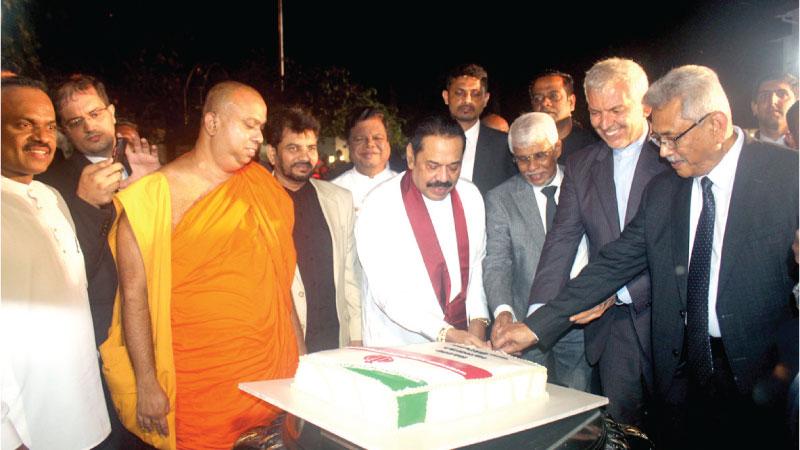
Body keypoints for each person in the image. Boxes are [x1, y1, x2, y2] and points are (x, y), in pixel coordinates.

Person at [495, 65, 799, 449]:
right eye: (661, 139)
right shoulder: (667, 189)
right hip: (686, 370)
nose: (665, 150)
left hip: (771, 374)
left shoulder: (789, 175)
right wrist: (536, 325)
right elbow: (614, 262)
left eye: (672, 138)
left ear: (716, 125)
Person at [101, 81, 303, 450]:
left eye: (261, 127)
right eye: (248, 125)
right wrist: (146, 382)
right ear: (211, 122)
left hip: (277, 379)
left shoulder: (265, 189)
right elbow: (135, 297)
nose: (258, 136)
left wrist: (302, 358)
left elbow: (281, 285)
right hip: (203, 389)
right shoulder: (154, 198)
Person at [525, 58, 668, 428]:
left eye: (617, 110)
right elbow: (561, 241)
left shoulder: (672, 155)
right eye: (596, 112)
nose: (605, 123)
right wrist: (538, 318)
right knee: (620, 430)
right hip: (614, 332)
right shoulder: (582, 164)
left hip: (670, 319)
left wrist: (615, 291)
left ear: (645, 104)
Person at [35, 74, 160, 449]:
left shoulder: (147, 165)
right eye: (76, 121)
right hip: (100, 344)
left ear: (111, 111)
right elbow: (63, 276)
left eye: (94, 113)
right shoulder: (51, 185)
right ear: (65, 131)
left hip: (160, 331)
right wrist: (87, 205)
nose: (89, 125)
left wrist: (150, 190)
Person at [1, 76, 111, 449]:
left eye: (49, 126)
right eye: (23, 124)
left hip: (83, 410)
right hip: (27, 429)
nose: (41, 136)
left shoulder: (50, 197)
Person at [357, 115, 490, 347]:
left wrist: (478, 324)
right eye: (433, 166)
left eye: (454, 167)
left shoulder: (471, 197)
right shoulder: (379, 204)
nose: (444, 178)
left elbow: (476, 267)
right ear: (411, 157)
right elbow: (387, 293)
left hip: (462, 341)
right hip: (399, 343)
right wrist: (446, 333)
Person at [484, 112, 592, 391]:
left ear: (557, 148)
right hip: (523, 322)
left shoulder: (584, 184)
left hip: (578, 320)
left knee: (577, 402)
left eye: (539, 155)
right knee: (529, 404)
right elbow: (497, 261)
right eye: (522, 158)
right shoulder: (500, 199)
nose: (531, 167)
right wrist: (503, 311)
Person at [265, 106, 362, 351]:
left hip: (334, 341)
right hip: (282, 343)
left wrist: (356, 335)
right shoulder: (256, 203)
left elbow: (349, 274)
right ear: (272, 154)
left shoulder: (339, 200)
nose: (304, 156)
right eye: (293, 148)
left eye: (310, 148)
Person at [442, 63, 515, 195]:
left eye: (475, 94)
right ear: (446, 97)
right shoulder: (430, 142)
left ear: (486, 99)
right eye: (459, 93)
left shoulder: (505, 146)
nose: (467, 100)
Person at [332, 107, 398, 213]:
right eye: (359, 139)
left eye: (377, 138)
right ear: (349, 146)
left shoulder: (409, 188)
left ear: (388, 144)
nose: (370, 144)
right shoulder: (332, 193)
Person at [529, 70, 598, 163]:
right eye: (537, 98)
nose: (545, 103)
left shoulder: (591, 147)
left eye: (554, 96)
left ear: (571, 102)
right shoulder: (524, 146)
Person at [746, 73, 797, 147]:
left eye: (782, 94)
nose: (772, 101)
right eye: (764, 96)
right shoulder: (740, 151)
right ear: (754, 108)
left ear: (796, 104)